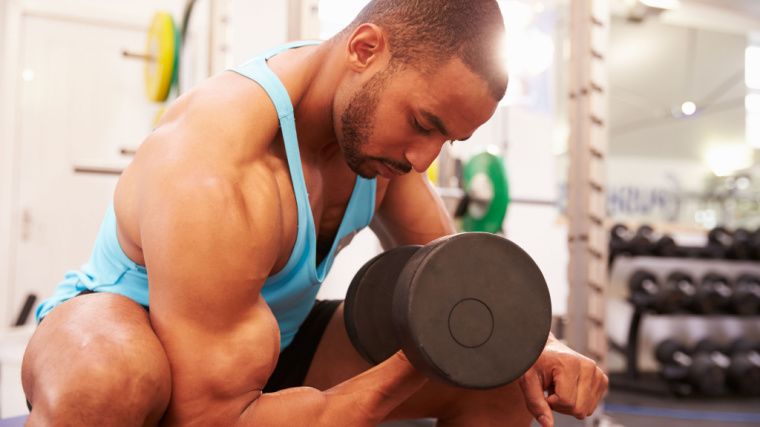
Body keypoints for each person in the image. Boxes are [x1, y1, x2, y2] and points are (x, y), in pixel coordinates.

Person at [21, 0, 608, 425]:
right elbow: (208, 419)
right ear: (364, 49)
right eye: (424, 124)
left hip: (264, 345)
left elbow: (457, 281)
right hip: (140, 334)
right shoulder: (215, 165)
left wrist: (543, 346)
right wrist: (425, 356)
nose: (422, 159)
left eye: (446, 141)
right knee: (107, 385)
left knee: (501, 377)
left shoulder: (382, 152)